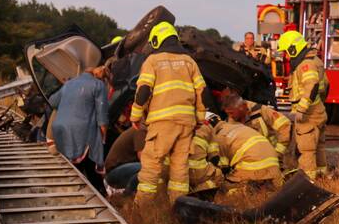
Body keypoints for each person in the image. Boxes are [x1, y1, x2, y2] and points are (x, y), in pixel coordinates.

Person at [130, 20, 207, 204]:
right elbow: (202, 92)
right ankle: (179, 206)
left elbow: (143, 91)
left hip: (162, 121)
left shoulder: (153, 61)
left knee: (151, 164)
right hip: (186, 122)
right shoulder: (189, 61)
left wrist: (135, 115)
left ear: (157, 40)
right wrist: (200, 118)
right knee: (180, 167)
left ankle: (141, 208)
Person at [47, 66, 110, 195]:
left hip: (60, 130)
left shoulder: (69, 83)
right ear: (99, 74)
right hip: (81, 130)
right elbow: (102, 117)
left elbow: (52, 101)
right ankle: (100, 192)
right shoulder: (98, 85)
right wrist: (103, 137)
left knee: (75, 166)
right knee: (91, 163)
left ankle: (76, 190)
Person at [277, 29, 329, 180]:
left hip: (308, 116)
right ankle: (322, 178)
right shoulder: (316, 60)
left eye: (287, 51)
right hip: (319, 111)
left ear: (293, 48)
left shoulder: (305, 65)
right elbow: (325, 85)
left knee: (307, 151)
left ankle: (308, 182)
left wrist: (302, 108)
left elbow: (311, 85)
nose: (286, 56)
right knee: (319, 149)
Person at [219, 90, 291, 158]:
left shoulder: (260, 110)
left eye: (231, 112)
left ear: (242, 107)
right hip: (250, 158)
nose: (230, 116)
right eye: (227, 113)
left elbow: (284, 125)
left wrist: (278, 152)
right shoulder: (230, 121)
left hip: (271, 154)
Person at [103, 123, 146, 194]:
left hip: (121, 170)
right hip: (114, 173)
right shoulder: (140, 130)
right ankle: (126, 195)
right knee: (148, 168)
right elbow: (142, 157)